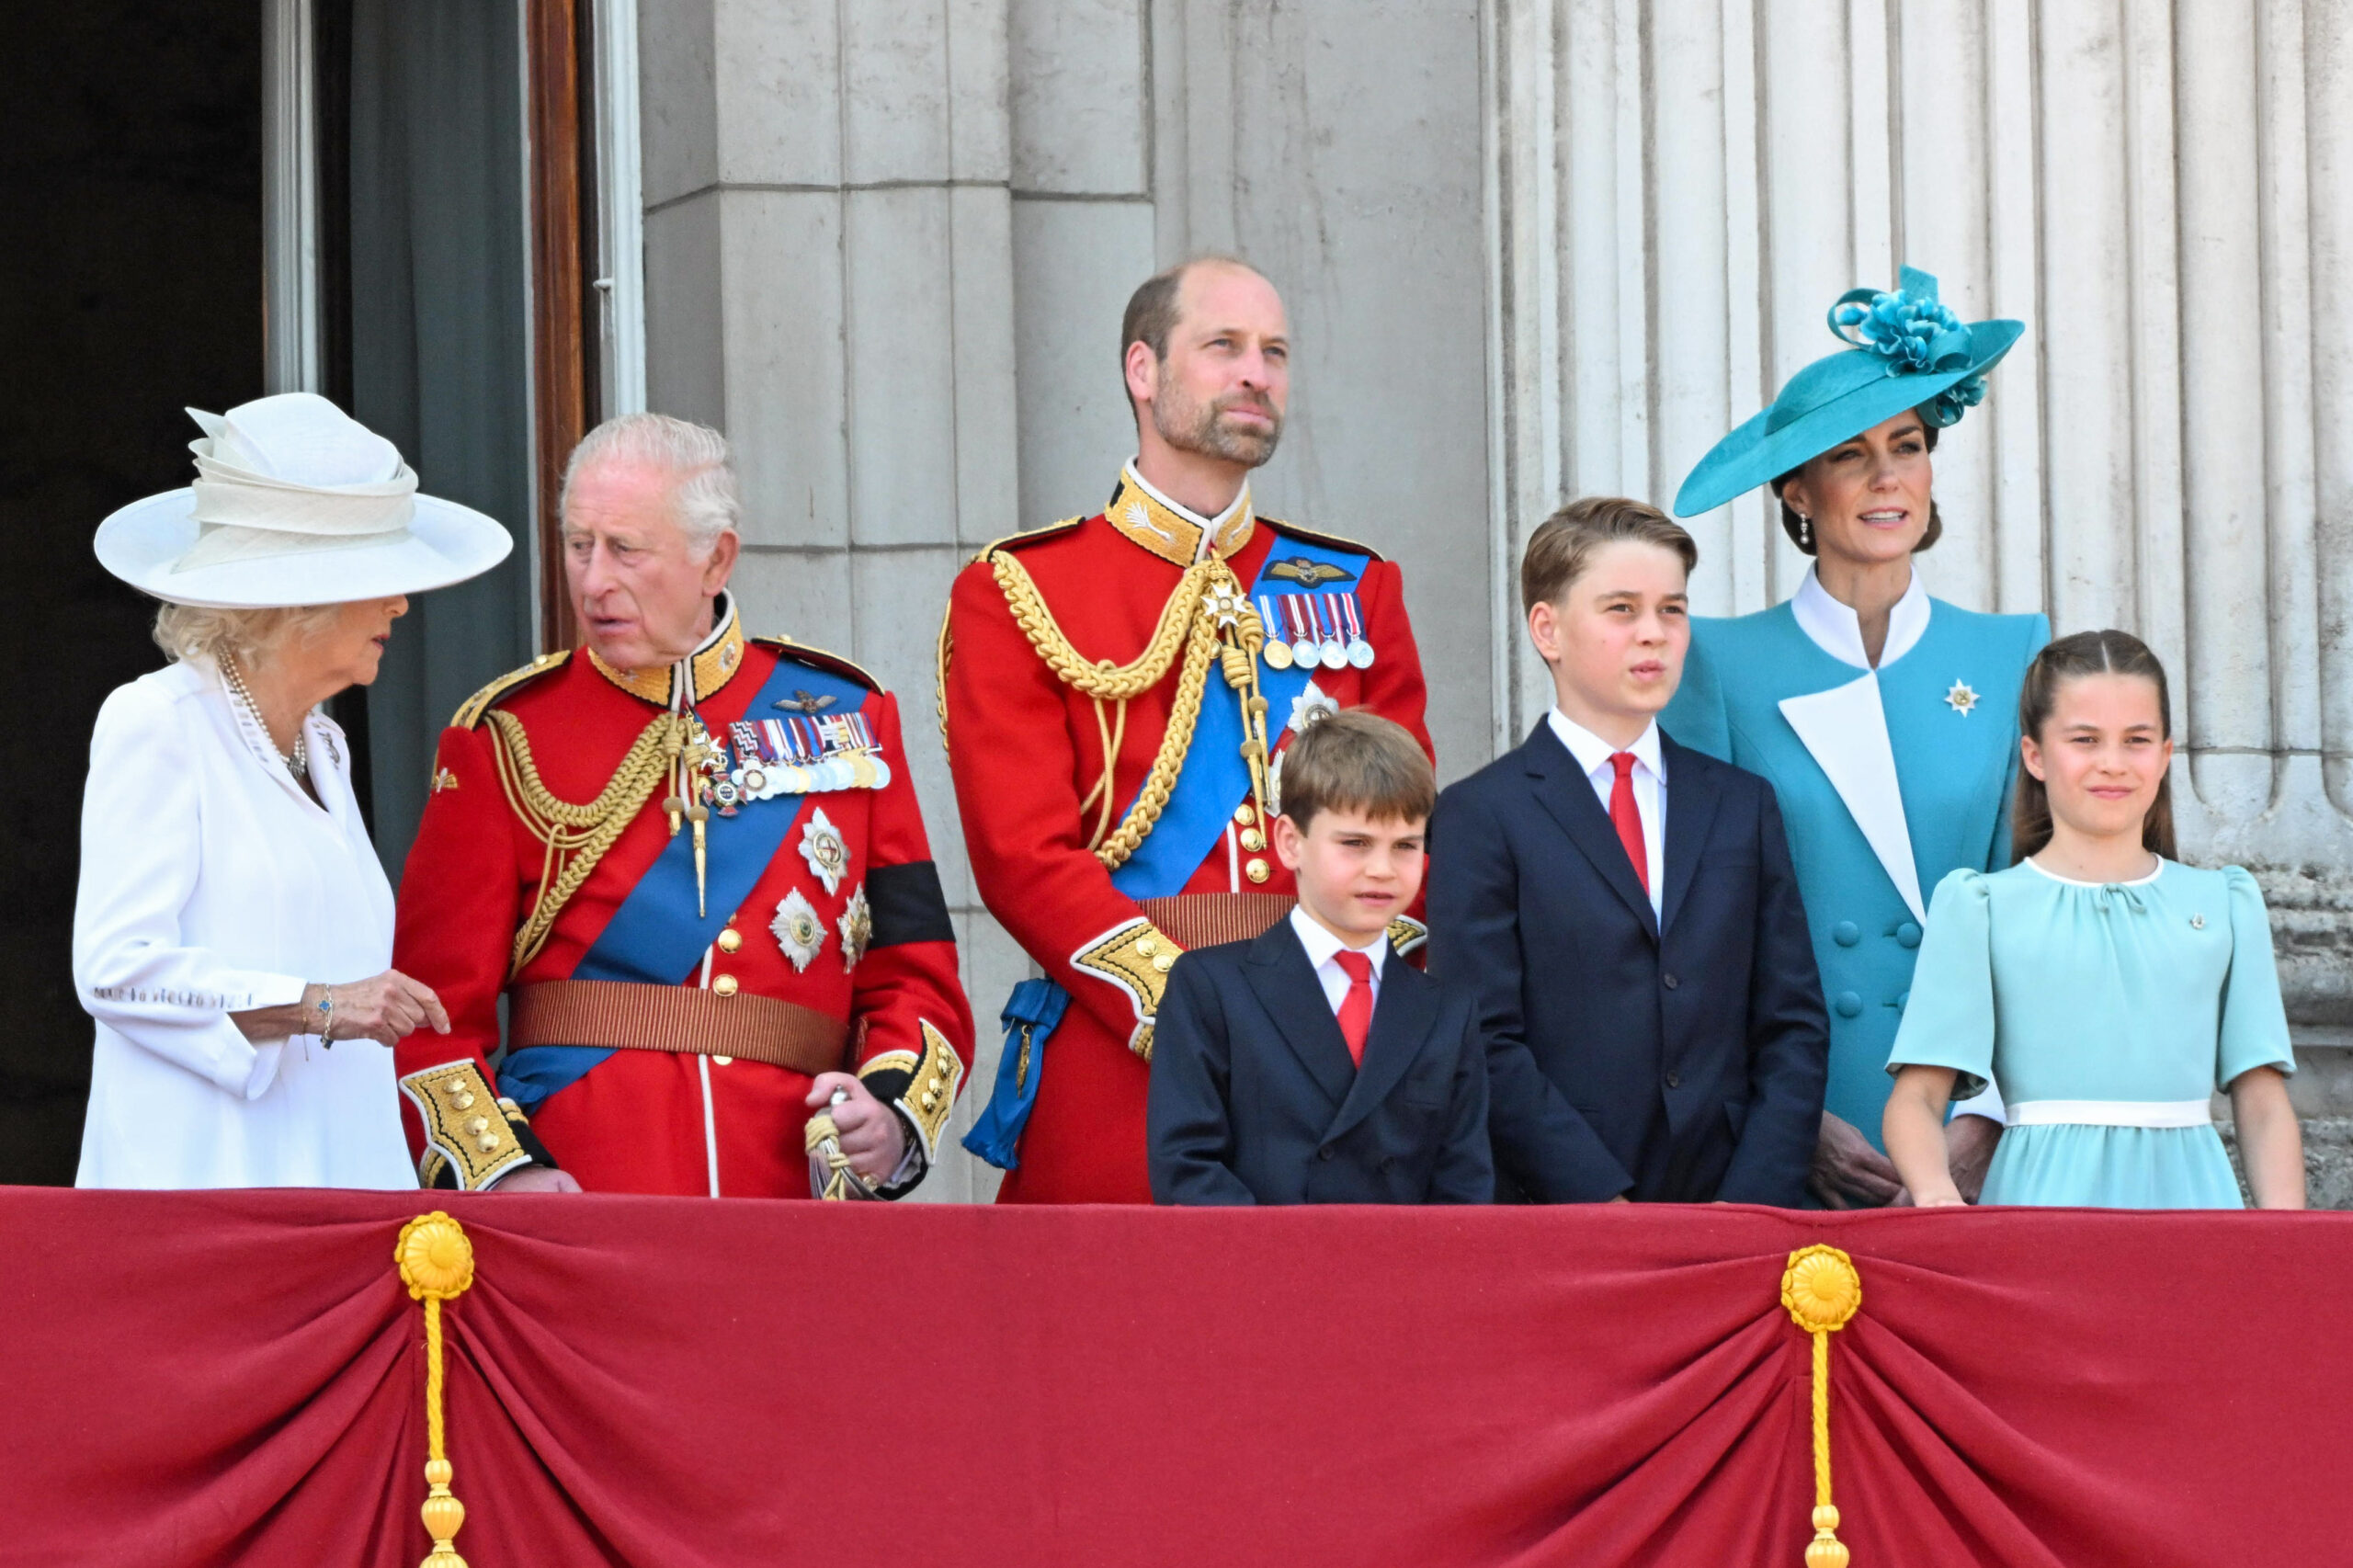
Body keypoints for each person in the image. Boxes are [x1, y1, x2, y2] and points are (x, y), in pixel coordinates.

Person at [942, 256, 1436, 1203]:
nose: (1257, 372)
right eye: (1223, 347)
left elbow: (1411, 832)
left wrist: (1331, 1005)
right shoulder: (1019, 589)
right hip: (1126, 1063)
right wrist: (1203, 1014)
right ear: (1142, 370)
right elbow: (1020, 854)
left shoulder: (1355, 587)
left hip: (1338, 1064)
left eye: (1275, 352)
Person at [392, 414, 974, 1196]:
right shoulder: (506, 736)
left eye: (626, 550)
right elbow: (430, 1015)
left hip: (791, 1204)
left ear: (716, 560)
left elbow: (916, 976)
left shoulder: (846, 718)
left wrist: (892, 1113)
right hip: (582, 1198)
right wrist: (507, 1175)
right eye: (577, 545)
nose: (594, 580)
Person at [1663, 266, 2046, 1207]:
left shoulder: (2009, 653)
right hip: (1799, 1113)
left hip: (1973, 1118)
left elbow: (2033, 911)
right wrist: (1784, 1114)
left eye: (1907, 446)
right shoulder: (1716, 662)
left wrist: (1987, 1113)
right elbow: (1699, 931)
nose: (1886, 477)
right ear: (1796, 491)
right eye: (1850, 453)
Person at [75, 392, 512, 1187]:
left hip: (339, 1186)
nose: (400, 603)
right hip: (207, 1190)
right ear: (299, 598)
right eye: (380, 578)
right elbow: (115, 968)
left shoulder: (324, 746)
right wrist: (321, 1005)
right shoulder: (157, 720)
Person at [1427, 498, 1826, 1204]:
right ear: (1547, 629)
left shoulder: (1741, 805)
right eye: (1622, 609)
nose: (1656, 635)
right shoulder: (1479, 815)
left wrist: (1751, 1201)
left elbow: (1791, 1023)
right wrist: (1599, 1201)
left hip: (1733, 1207)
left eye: (1671, 610)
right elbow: (1483, 1039)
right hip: (1563, 1215)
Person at [1883, 631, 2303, 1209]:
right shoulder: (1982, 907)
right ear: (2035, 755)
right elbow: (1917, 1101)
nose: (2112, 763)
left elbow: (2262, 1103)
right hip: (2038, 1214)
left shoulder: (2226, 902)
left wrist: (2285, 1248)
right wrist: (1938, 1198)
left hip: (2195, 1213)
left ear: (2164, 755)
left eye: (2137, 740)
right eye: (2085, 740)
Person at [1147, 710, 1490, 1204]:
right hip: (1261, 1272)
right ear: (1291, 843)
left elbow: (1464, 1186)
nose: (1382, 870)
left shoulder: (1447, 1009)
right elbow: (1187, 1168)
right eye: (1355, 843)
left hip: (1401, 1276)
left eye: (1405, 846)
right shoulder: (1211, 987)